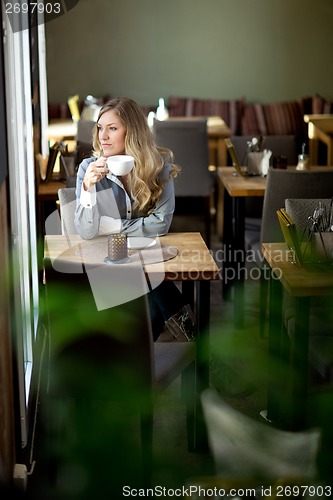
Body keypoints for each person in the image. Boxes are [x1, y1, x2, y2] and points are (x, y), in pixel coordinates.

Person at [74, 96, 195, 341]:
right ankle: (196, 344)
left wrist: (110, 226)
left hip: (144, 264)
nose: (102, 136)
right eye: (100, 128)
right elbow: (87, 232)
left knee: (151, 290)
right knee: (155, 285)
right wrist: (87, 189)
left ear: (132, 133)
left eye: (112, 128)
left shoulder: (159, 167)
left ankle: (145, 359)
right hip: (108, 270)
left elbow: (161, 224)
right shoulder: (88, 170)